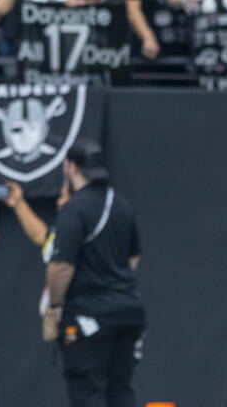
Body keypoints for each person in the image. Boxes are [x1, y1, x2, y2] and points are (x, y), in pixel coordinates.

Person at [45, 140, 145, 407]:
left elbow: (61, 266)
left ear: (70, 167)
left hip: (89, 316)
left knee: (88, 392)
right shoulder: (122, 204)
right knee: (121, 391)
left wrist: (56, 305)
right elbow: (133, 258)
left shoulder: (74, 209)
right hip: (128, 313)